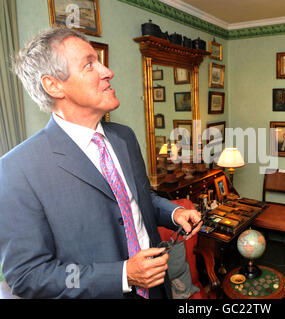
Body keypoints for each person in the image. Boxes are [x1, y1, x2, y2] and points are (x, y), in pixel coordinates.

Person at [0, 27, 202, 299]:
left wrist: (174, 212)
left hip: (158, 290)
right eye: (89, 65)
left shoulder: (124, 137)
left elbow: (139, 199)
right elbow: (30, 276)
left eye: (100, 61)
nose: (108, 71)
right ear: (53, 85)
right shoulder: (16, 171)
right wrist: (123, 275)